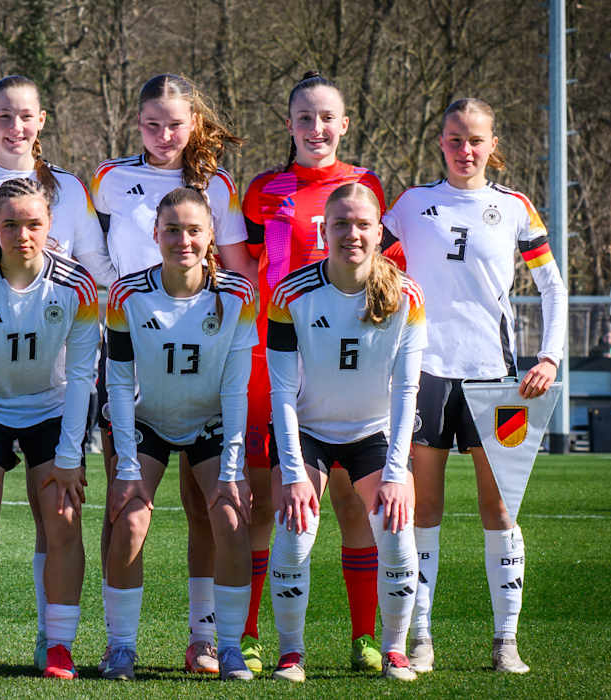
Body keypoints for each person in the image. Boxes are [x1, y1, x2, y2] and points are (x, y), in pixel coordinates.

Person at [381, 97, 566, 674]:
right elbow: (370, 272)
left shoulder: (514, 207)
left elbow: (552, 287)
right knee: (423, 509)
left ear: (492, 145)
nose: (466, 150)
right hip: (424, 375)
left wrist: (550, 357)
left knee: (500, 510)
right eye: (456, 139)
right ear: (441, 142)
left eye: (476, 140)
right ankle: (421, 639)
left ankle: (506, 641)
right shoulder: (411, 205)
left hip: (496, 379)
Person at [0, 75, 109, 671]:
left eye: (33, 224)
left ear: (51, 226)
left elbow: (83, 375)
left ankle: (57, 644)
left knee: (62, 514)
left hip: (52, 406)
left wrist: (68, 455)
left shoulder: (77, 286)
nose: (22, 235)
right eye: (10, 225)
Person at [90, 72, 255, 675]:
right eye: (152, 124)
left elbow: (238, 271)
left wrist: (232, 464)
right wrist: (129, 299)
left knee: (220, 509)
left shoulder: (218, 189)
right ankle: (119, 644)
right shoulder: (109, 179)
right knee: (127, 509)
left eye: (175, 124)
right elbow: (86, 245)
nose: (163, 135)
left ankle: (214, 641)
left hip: (206, 382)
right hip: (140, 381)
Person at [242, 71, 387, 672]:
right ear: (289, 124)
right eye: (305, 117)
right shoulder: (262, 191)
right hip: (271, 364)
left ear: (344, 124)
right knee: (267, 503)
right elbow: (244, 271)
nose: (316, 128)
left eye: (327, 117)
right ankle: (250, 634)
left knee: (352, 505)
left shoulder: (365, 186)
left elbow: (387, 273)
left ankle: (365, 637)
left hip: (346, 368)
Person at [266, 183, 425, 683]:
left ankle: (394, 649)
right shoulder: (290, 294)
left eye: (362, 225)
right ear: (324, 232)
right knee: (295, 530)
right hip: (309, 431)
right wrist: (294, 473)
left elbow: (407, 390)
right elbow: (281, 392)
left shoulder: (406, 296)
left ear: (379, 233)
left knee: (395, 528)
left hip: (373, 434)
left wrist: (396, 474)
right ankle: (291, 653)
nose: (351, 234)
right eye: (340, 224)